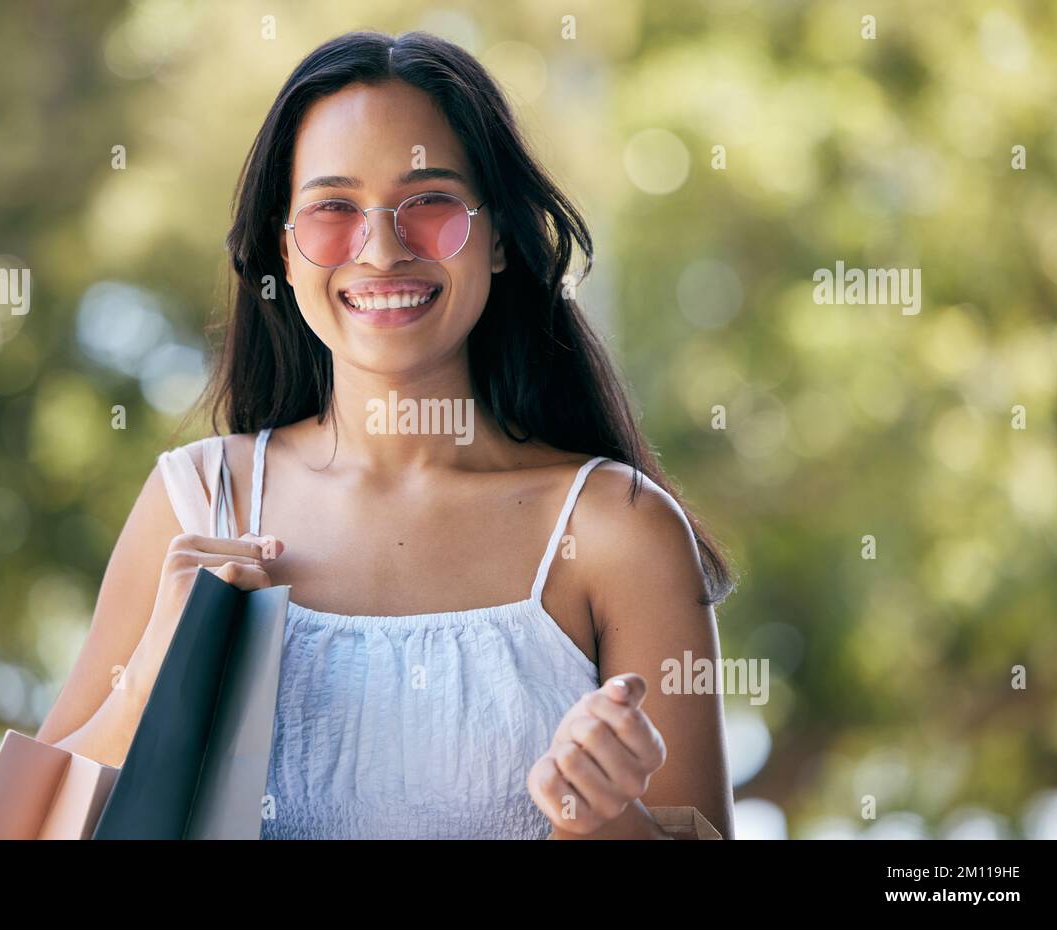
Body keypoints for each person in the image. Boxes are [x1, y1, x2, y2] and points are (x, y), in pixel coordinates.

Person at [37, 29, 736, 840]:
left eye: (430, 203)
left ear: (500, 236)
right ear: (284, 250)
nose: (382, 248)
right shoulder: (197, 506)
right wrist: (145, 688)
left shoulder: (620, 531)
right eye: (333, 209)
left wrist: (603, 818)